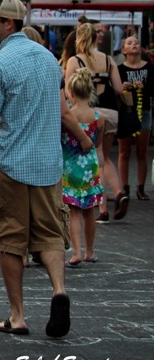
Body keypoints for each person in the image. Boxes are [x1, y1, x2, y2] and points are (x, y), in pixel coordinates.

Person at [0, 0, 87, 339]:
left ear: (8, 22)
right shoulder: (49, 59)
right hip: (48, 164)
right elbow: (61, 110)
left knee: (10, 239)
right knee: (51, 234)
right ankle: (58, 290)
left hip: (12, 164)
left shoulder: (0, 65)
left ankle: (17, 316)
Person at [64, 22, 128, 222]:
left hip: (86, 113)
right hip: (110, 112)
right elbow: (118, 89)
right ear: (95, 39)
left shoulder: (75, 61)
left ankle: (101, 208)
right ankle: (118, 192)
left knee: (93, 157)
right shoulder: (108, 60)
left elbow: (68, 89)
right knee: (104, 157)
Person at [62, 68, 103, 268]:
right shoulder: (98, 117)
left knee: (73, 211)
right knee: (90, 210)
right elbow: (99, 142)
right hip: (90, 165)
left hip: (70, 166)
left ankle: (76, 252)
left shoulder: (69, 115)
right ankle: (90, 251)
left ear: (70, 91)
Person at [117, 35, 153, 201]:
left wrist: (144, 87)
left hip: (143, 111)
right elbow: (114, 91)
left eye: (136, 43)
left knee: (141, 152)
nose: (134, 45)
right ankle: (124, 188)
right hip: (126, 112)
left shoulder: (149, 68)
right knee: (124, 152)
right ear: (124, 50)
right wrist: (121, 87)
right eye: (130, 43)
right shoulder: (120, 69)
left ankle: (140, 188)